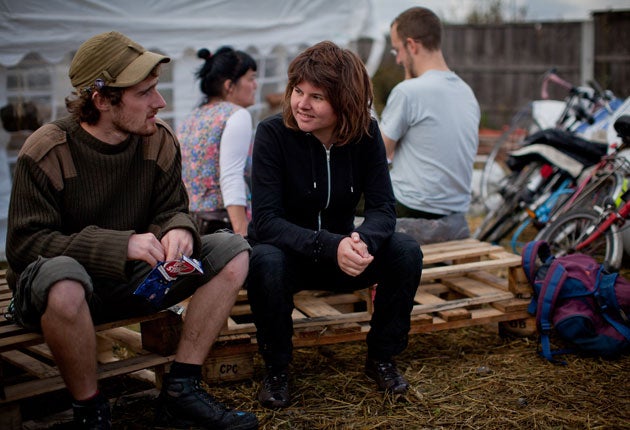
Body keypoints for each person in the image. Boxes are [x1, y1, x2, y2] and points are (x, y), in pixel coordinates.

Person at [5, 31, 258, 430]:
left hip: (132, 284)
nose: (160, 102)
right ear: (102, 99)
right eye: (145, 92)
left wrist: (179, 230)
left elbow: (174, 208)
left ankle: (181, 390)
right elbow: (25, 246)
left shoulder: (158, 140)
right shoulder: (47, 149)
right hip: (59, 294)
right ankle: (91, 413)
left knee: (233, 249)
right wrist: (119, 244)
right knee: (64, 278)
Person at [246, 40, 423, 409]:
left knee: (405, 250)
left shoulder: (367, 135)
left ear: (345, 101)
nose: (301, 104)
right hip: (290, 258)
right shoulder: (272, 134)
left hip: (344, 258)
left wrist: (362, 242)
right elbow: (265, 221)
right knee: (265, 259)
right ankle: (277, 368)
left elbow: (383, 209)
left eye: (316, 96)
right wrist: (331, 245)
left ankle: (382, 359)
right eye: (298, 91)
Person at [379, 7, 481, 245]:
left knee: (335, 194)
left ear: (412, 46)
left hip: (411, 206)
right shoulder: (466, 92)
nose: (398, 59)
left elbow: (377, 154)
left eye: (397, 50)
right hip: (455, 212)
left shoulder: (409, 92)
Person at [178, 47, 258, 237]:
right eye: (251, 78)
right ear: (229, 85)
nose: (255, 85)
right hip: (222, 224)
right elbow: (231, 176)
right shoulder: (236, 114)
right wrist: (242, 232)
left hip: (192, 223)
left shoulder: (191, 118)